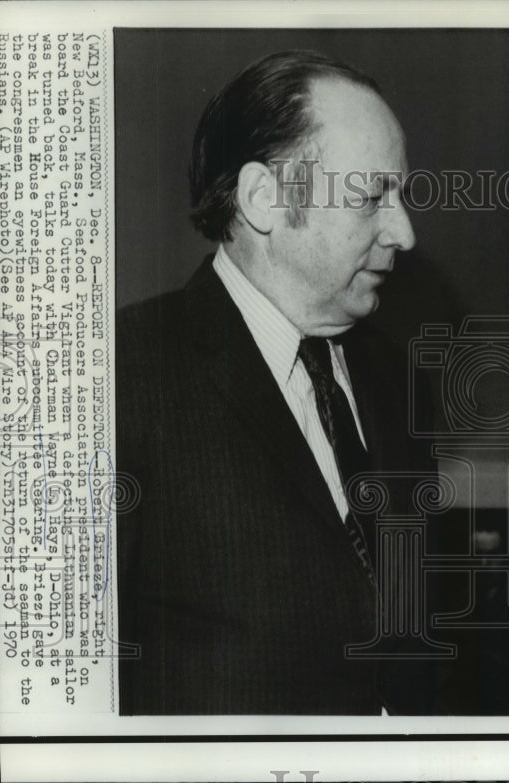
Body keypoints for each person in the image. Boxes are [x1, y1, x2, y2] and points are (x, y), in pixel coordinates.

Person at [116, 51, 436, 714]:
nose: (403, 231)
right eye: (370, 196)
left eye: (400, 196)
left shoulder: (394, 376)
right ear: (265, 198)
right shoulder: (122, 374)